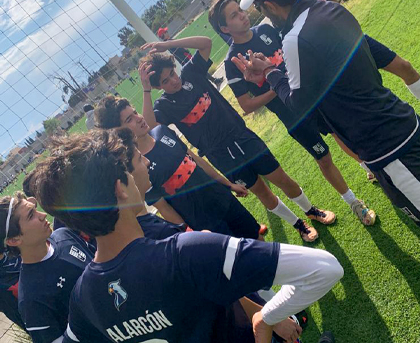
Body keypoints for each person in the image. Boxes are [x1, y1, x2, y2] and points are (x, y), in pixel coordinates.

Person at [36, 129, 344, 343]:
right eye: (129, 170)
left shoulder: (83, 298)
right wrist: (267, 317)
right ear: (120, 187)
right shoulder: (185, 253)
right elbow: (326, 268)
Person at [233, 0, 420, 227]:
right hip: (404, 120)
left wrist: (270, 74)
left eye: (260, 8)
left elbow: (299, 104)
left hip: (388, 149)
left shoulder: (295, 38)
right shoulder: (333, 10)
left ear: (271, 5)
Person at [138, 36, 336, 242]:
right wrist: (145, 89)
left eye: (172, 73)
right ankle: (299, 224)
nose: (173, 81)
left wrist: (167, 45)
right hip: (221, 155)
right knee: (262, 192)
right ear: (158, 87)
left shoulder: (191, 73)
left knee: (282, 179)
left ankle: (311, 210)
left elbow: (206, 43)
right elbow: (150, 128)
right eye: (165, 81)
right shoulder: (164, 106)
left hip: (243, 137)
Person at [208, 0, 375, 225]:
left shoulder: (266, 30)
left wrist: (280, 76)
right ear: (225, 28)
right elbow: (246, 105)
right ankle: (354, 202)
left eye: (240, 10)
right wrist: (277, 85)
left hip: (311, 96)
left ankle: (368, 166)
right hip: (293, 116)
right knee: (324, 158)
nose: (242, 15)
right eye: (234, 15)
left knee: (341, 133)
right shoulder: (233, 62)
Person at [253, 0, 420, 100]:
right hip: (328, 61)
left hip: (350, 40)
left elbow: (333, 0)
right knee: (368, 95)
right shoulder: (279, 9)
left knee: (404, 67)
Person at [95, 96, 265, 239]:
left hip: (224, 199)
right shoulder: (136, 168)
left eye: (135, 112)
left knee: (256, 238)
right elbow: (164, 208)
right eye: (129, 120)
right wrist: (188, 234)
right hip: (205, 225)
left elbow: (197, 161)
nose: (139, 118)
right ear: (117, 131)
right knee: (238, 265)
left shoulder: (163, 132)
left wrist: (228, 184)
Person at [0, 192, 96, 343]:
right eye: (31, 215)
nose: (43, 215)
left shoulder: (64, 235)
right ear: (14, 240)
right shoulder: (30, 299)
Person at [157, 27, 224, 88]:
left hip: (186, 57)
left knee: (200, 69)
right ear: (164, 34)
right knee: (199, 69)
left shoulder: (168, 43)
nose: (167, 33)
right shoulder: (169, 43)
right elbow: (179, 50)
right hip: (185, 59)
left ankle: (214, 81)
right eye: (165, 32)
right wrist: (184, 48)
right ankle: (213, 82)